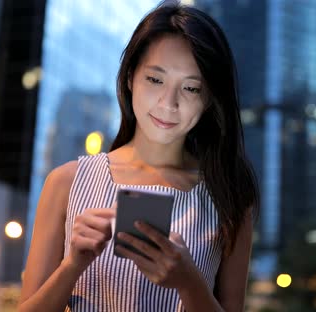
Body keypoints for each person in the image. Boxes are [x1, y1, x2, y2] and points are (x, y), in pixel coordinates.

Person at [17, 2, 259, 311]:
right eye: (155, 80)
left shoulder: (229, 198)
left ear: (209, 98)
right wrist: (72, 265)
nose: (168, 103)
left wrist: (189, 282)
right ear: (131, 77)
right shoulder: (67, 182)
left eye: (191, 88)